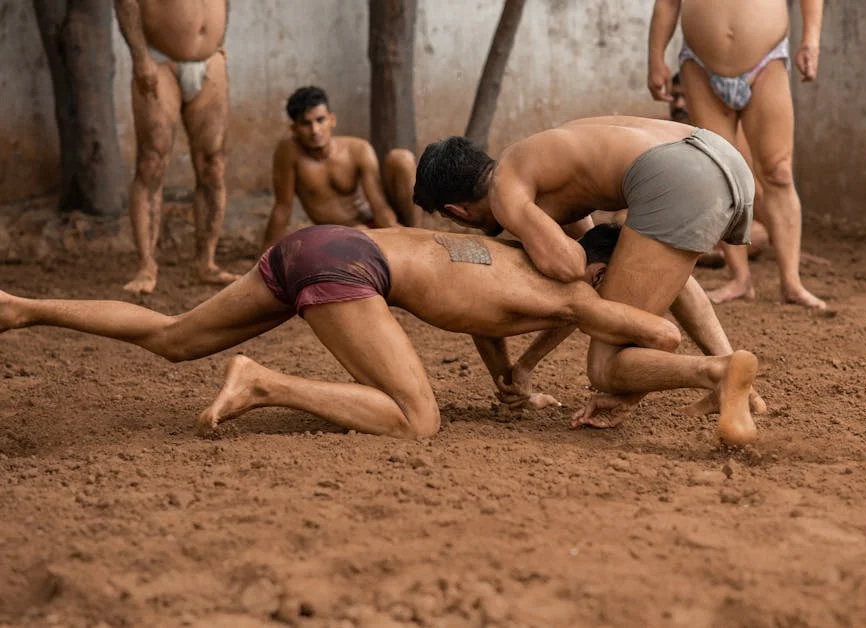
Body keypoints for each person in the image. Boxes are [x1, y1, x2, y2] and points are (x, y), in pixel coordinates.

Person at [0, 224, 760, 445]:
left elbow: (479, 317)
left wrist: (514, 375)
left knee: (170, 336)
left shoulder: (510, 252)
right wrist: (629, 310)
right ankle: (262, 382)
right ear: (597, 272)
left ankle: (23, 307)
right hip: (352, 270)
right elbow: (655, 332)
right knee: (417, 419)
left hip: (319, 240)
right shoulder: (570, 293)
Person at [413, 117, 763, 440]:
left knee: (605, 367)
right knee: (646, 266)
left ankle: (719, 372)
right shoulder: (532, 162)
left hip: (677, 176)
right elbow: (593, 276)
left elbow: (569, 270)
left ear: (456, 212)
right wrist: (524, 366)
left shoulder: (505, 190)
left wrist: (522, 259)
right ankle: (742, 388)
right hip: (719, 154)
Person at [647, 0, 826, 308]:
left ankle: (792, 283)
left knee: (778, 171)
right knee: (721, 173)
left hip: (766, 60)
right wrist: (655, 57)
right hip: (699, 63)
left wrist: (811, 40)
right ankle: (740, 278)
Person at [115, 0, 237, 294]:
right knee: (152, 160)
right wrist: (140, 55)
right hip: (159, 60)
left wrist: (219, 39)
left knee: (213, 164)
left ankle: (206, 263)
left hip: (210, 60)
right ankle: (146, 266)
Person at [260, 86, 421, 252]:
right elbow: (282, 208)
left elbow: (379, 206)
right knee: (359, 232)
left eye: (320, 120)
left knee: (402, 158)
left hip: (375, 224)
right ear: (294, 129)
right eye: (306, 123)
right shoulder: (289, 152)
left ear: (332, 120)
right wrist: (263, 258)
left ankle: (419, 235)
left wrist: (399, 233)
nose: (315, 130)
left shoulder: (358, 149)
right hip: (341, 235)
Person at [669, 73, 770, 270]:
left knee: (758, 235)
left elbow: (754, 193)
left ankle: (696, 256)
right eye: (674, 97)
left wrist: (782, 242)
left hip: (714, 227)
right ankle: (696, 255)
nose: (679, 104)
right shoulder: (662, 129)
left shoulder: (729, 136)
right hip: (670, 223)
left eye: (686, 97)